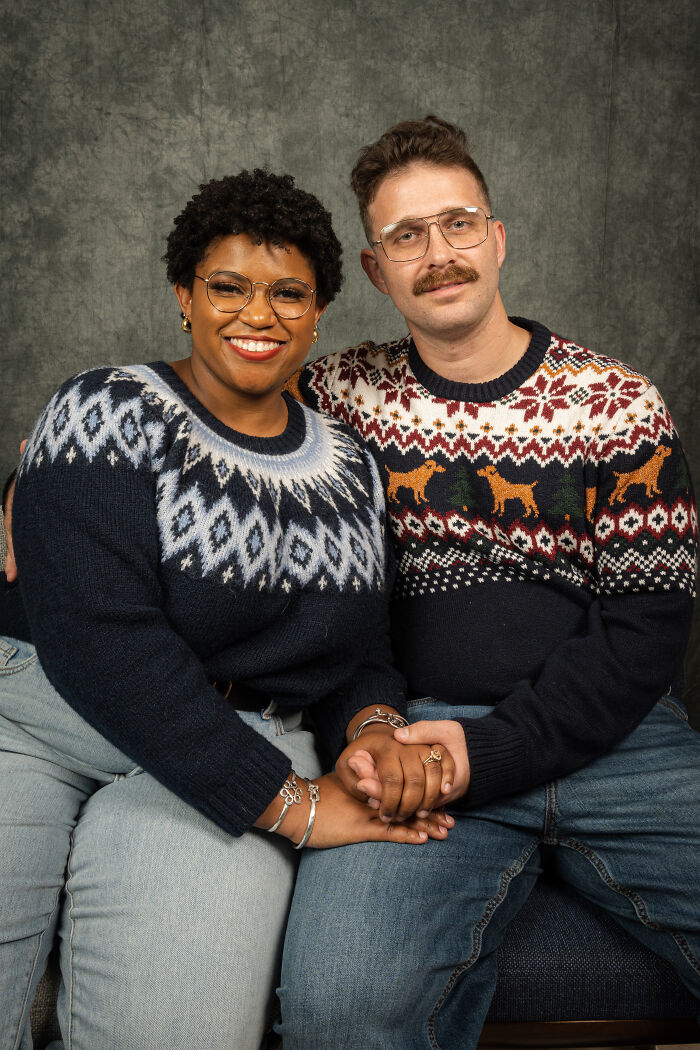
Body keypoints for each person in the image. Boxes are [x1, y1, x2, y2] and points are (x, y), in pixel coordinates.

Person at [0, 168, 454, 1050]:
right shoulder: (103, 408)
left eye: (289, 293)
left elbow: (356, 649)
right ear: (184, 295)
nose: (258, 314)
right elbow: (101, 639)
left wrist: (371, 726)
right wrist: (297, 808)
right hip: (41, 719)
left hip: (242, 737)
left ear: (320, 310)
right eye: (228, 287)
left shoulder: (351, 469)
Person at [278, 116, 699, 1048]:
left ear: (498, 237)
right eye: (406, 236)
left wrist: (496, 752)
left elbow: (648, 628)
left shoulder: (616, 404)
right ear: (376, 267)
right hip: (418, 741)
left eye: (458, 223)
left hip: (622, 743)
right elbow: (202, 418)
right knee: (339, 1007)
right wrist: (35, 480)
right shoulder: (333, 400)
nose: (439, 254)